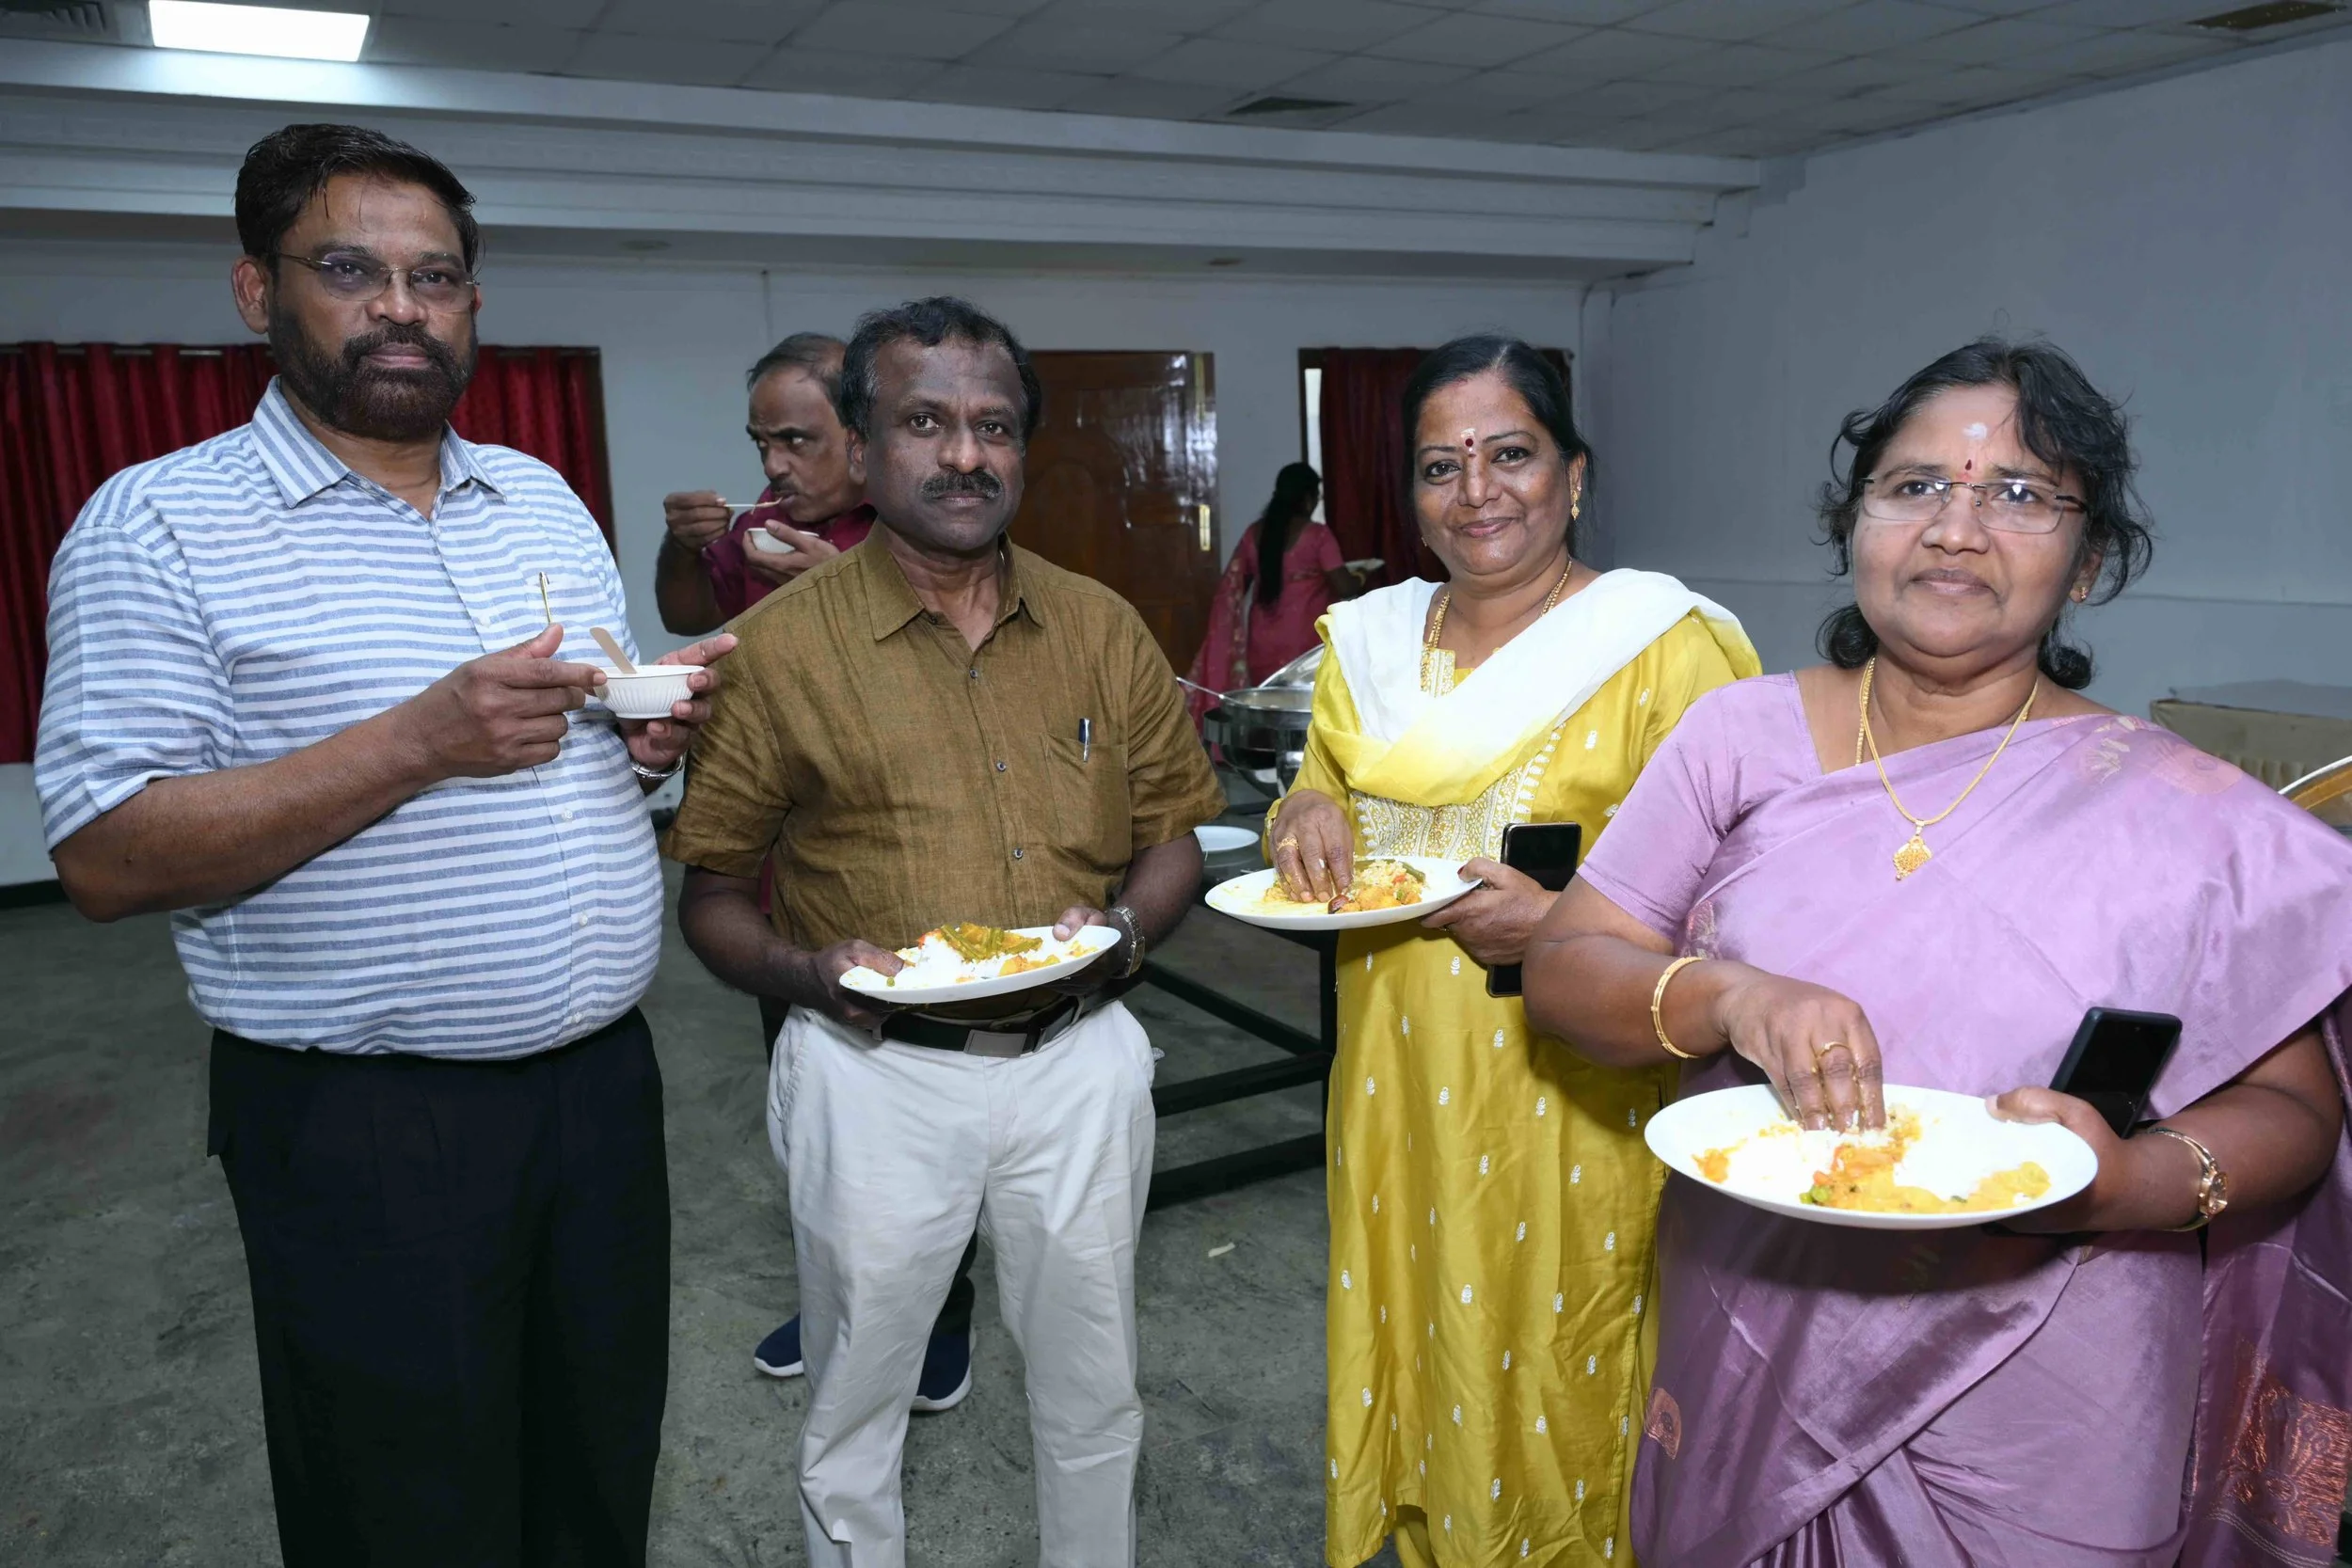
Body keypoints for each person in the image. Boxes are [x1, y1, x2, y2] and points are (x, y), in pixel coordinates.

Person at [1524, 339, 2352, 1568]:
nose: (1956, 529)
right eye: (1914, 485)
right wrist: (1724, 993)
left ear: (2089, 561)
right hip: (1760, 1322)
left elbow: (2295, 1109)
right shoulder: (1736, 737)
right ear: (1852, 522)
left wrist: (2124, 1181)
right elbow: (1563, 967)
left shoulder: (2186, 812)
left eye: (2019, 493)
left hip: (2053, 1380)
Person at [34, 123, 733, 1566]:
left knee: (597, 1468)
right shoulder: (156, 522)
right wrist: (415, 740)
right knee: (406, 1511)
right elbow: (105, 853)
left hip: (602, 1092)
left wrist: (642, 737)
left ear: (474, 303)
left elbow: (577, 728)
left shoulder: (540, 495)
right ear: (257, 291)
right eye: (351, 270)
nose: (402, 308)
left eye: (437, 277)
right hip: (365, 1125)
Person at [664, 295, 1226, 1568]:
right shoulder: (777, 651)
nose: (965, 454)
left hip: (1079, 1060)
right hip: (871, 1074)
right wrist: (806, 972)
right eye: (925, 423)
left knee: (1095, 1388)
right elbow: (710, 897)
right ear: (862, 449)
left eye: (994, 426)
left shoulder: (1099, 626)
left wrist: (1122, 932)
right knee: (856, 1401)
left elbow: (1173, 838)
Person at [1264, 337, 1759, 1568]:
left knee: (1558, 1351)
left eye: (1510, 454)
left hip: (1573, 1087)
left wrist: (1564, 929)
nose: (1476, 490)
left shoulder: (1664, 644)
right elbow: (1321, 790)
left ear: (1573, 474)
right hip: (1392, 1075)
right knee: (1423, 1323)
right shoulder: (1365, 645)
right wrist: (1301, 809)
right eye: (1442, 464)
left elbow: (1750, 890)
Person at [655, 331, 875, 636]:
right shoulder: (767, 520)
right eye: (761, 443)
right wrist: (681, 546)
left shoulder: (914, 521)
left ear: (859, 435)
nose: (772, 467)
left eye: (795, 440)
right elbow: (686, 618)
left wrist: (843, 587)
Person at [1184, 460, 1360, 720]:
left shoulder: (1255, 534)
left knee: (1268, 712)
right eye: (1317, 497)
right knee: (1305, 714)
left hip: (1261, 642)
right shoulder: (1317, 535)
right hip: (1304, 643)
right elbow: (1344, 586)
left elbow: (1235, 588)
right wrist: (1360, 578)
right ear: (1307, 499)